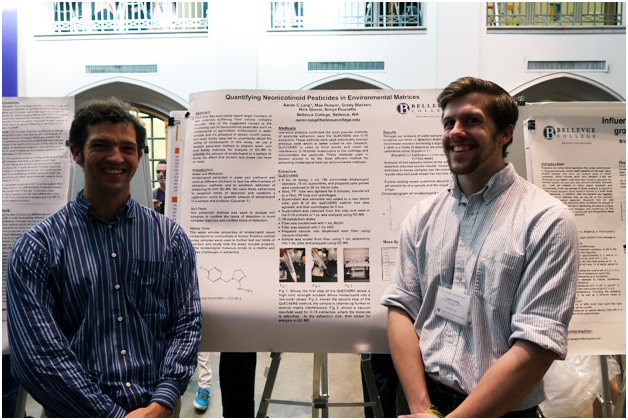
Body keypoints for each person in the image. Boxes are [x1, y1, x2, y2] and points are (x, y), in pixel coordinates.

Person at [381, 77, 579, 417]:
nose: (456, 131)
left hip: (502, 410)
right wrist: (422, 408)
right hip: (423, 400)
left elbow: (536, 345)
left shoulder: (546, 220)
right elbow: (402, 306)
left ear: (505, 133)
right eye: (449, 122)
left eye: (471, 120)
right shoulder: (423, 216)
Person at [6, 98, 202, 417]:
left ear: (140, 155)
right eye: (101, 145)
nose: (116, 157)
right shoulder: (37, 247)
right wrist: (112, 415)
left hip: (158, 411)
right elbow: (37, 356)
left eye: (127, 147)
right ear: (76, 153)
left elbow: (186, 324)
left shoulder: (171, 239)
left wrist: (163, 400)